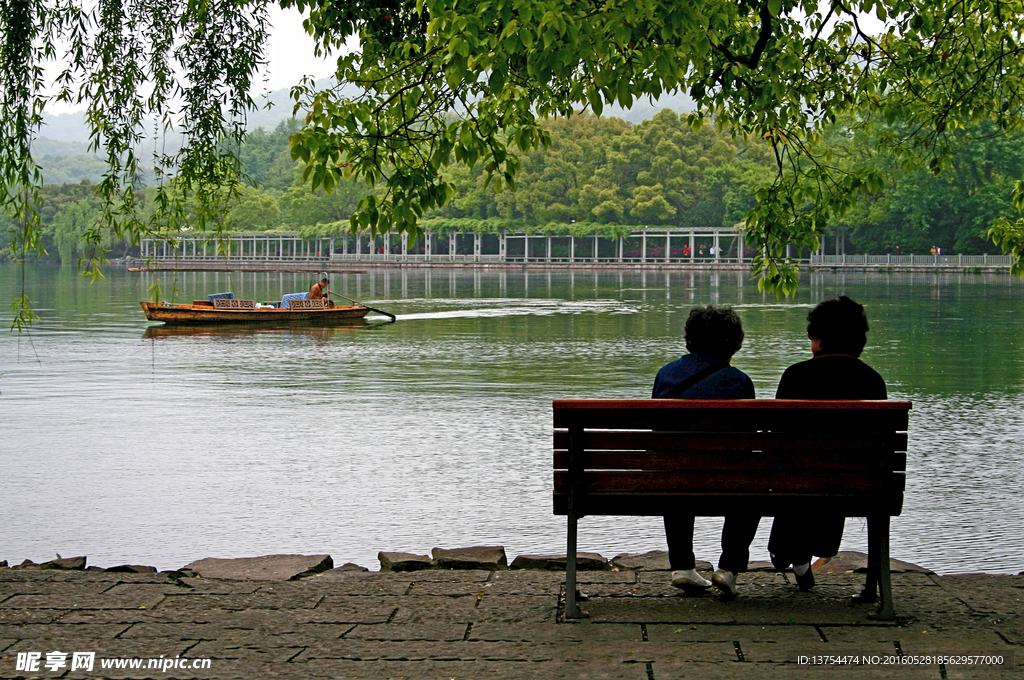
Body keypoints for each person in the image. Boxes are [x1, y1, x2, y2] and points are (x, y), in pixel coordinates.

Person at [767, 296, 887, 591]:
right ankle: (804, 558)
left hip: (795, 481)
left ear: (818, 338)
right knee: (833, 474)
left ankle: (790, 552)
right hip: (856, 486)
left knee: (798, 473)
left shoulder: (795, 376)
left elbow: (777, 441)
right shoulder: (873, 381)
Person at [653, 305, 758, 598]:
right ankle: (727, 569)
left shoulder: (666, 375)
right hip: (726, 483)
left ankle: (683, 567)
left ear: (689, 339)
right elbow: (747, 442)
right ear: (735, 342)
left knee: (676, 467)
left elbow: (658, 435)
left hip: (672, 482)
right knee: (752, 482)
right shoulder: (738, 381)